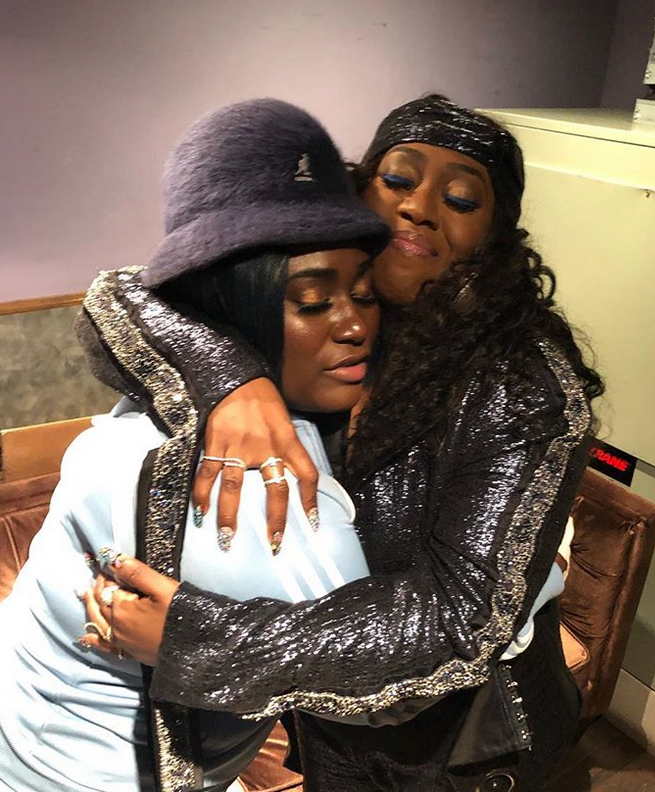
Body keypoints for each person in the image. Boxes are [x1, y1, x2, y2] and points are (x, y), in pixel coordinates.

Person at [80, 95, 604, 792]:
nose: (419, 207)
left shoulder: (521, 383)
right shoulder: (351, 317)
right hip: (335, 718)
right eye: (399, 179)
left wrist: (196, 639)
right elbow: (121, 297)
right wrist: (232, 382)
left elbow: (461, 620)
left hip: (466, 750)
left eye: (460, 198)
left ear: (496, 237)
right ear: (359, 192)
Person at [0, 98, 393, 792]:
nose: (354, 324)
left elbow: (125, 291)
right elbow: (388, 685)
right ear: (229, 301)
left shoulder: (168, 385)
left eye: (364, 294)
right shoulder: (262, 493)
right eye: (312, 301)